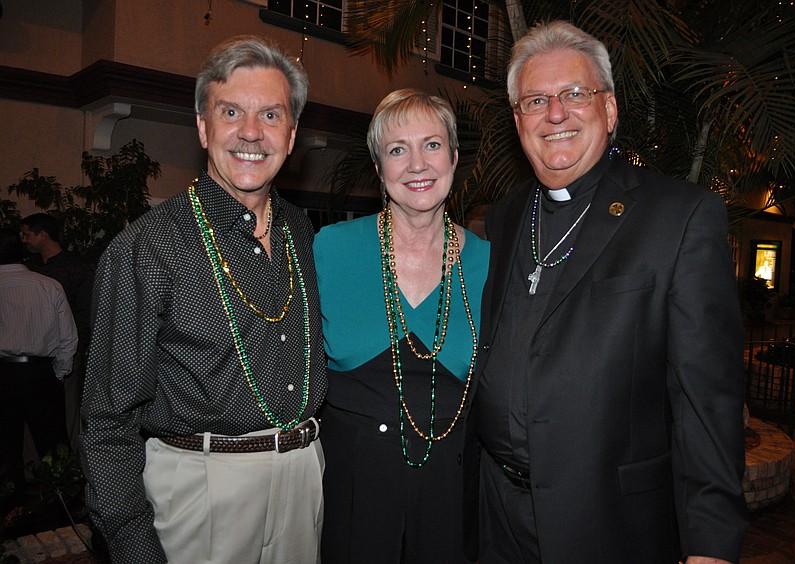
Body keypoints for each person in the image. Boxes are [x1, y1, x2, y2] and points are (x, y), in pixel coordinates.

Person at [465, 21, 748, 563]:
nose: (555, 114)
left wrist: (711, 544)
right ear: (517, 119)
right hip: (497, 515)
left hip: (610, 524)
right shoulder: (501, 219)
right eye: (535, 100)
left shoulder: (679, 217)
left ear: (610, 109)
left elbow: (707, 402)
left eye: (574, 94)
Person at [79, 35, 326, 564]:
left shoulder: (303, 234)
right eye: (231, 111)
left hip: (304, 479)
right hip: (202, 494)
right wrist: (133, 548)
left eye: (271, 115)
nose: (251, 133)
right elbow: (106, 422)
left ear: (292, 133)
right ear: (202, 125)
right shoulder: (148, 247)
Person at [314, 89, 489, 563]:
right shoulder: (329, 251)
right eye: (397, 149)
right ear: (379, 169)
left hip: (454, 503)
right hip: (351, 503)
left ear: (454, 157)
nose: (417, 164)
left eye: (431, 145)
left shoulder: (491, 265)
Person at [0, 227, 77, 508]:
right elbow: (68, 336)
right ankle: (61, 505)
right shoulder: (47, 285)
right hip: (39, 372)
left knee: (5, 448)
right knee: (52, 443)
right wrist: (58, 372)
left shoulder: (47, 284)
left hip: (3, 375)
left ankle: (12, 508)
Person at [21, 212, 95, 446]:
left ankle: (67, 467)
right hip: (34, 354)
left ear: (43, 235)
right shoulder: (28, 270)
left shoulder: (76, 269)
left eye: (27, 235)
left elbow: (84, 315)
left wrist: (76, 351)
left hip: (67, 350)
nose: (23, 240)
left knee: (66, 409)